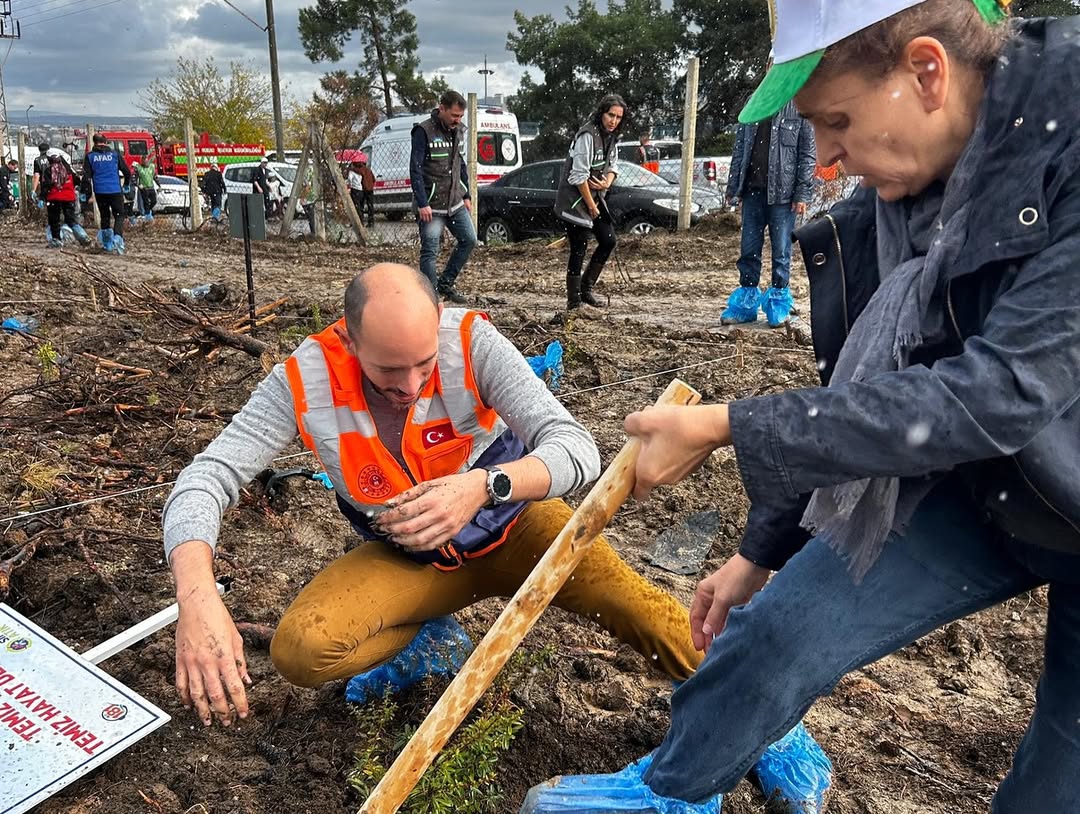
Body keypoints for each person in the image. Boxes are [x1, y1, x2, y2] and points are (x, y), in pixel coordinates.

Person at [526, 2, 1080, 813]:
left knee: (1055, 783)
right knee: (773, 633)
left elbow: (997, 395)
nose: (824, 159)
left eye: (837, 121)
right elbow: (864, 390)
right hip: (977, 482)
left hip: (1027, 456)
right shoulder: (904, 189)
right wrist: (763, 549)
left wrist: (727, 426)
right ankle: (675, 792)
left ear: (927, 71)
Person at [163, 263, 708, 727]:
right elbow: (204, 478)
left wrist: (483, 486)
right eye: (388, 370)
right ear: (350, 341)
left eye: (424, 363)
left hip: (521, 529)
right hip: (416, 561)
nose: (410, 385)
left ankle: (763, 723)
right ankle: (433, 645)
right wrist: (197, 597)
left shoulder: (471, 342)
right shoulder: (303, 380)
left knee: (650, 617)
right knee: (301, 652)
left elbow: (576, 449)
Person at [721, 96, 816, 328]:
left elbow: (807, 153)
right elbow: (740, 148)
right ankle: (746, 304)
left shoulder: (798, 106)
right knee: (749, 249)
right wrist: (733, 187)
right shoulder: (754, 103)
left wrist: (802, 193)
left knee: (781, 251)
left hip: (783, 196)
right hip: (753, 191)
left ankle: (778, 303)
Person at [554, 94, 624, 311]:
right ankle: (573, 302)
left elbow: (613, 167)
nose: (613, 121)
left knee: (608, 240)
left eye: (618, 117)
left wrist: (606, 183)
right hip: (574, 201)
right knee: (579, 247)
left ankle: (586, 288)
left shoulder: (612, 137)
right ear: (602, 113)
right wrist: (592, 207)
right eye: (610, 115)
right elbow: (578, 176)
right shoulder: (587, 136)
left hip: (595, 197)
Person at [410, 89, 475, 303]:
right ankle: (431, 297)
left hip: (455, 202)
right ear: (442, 109)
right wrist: (422, 203)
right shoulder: (424, 131)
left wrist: (466, 195)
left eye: (460, 116)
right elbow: (415, 169)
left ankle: (446, 284)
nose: (457, 120)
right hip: (431, 207)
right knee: (430, 251)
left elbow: (460, 163)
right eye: (454, 115)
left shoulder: (457, 131)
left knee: (469, 240)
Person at [85, 133, 132, 254]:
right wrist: (126, 184)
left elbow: (86, 177)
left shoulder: (90, 157)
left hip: (100, 191)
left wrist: (86, 192)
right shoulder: (115, 155)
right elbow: (127, 172)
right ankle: (117, 239)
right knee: (119, 215)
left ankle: (107, 244)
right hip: (115, 189)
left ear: (94, 143)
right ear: (106, 142)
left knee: (105, 216)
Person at [39, 152, 90, 248]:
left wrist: (42, 198)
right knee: (71, 220)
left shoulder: (48, 171)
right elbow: (77, 181)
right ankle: (83, 237)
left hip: (54, 198)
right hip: (69, 198)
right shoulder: (68, 170)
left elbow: (45, 186)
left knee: (54, 221)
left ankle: (57, 240)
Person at [134, 156, 160, 221]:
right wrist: (138, 185)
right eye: (144, 161)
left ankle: (149, 210)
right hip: (144, 188)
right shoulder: (139, 168)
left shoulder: (151, 167)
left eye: (146, 161)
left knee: (154, 201)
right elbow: (135, 179)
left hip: (151, 187)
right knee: (145, 202)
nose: (145, 162)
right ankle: (147, 214)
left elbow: (155, 177)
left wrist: (159, 185)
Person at [356, 155, 375, 227]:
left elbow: (359, 180)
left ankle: (361, 221)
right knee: (370, 205)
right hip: (370, 189)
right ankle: (371, 221)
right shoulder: (369, 170)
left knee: (361, 206)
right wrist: (371, 185)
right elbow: (373, 179)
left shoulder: (360, 170)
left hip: (363, 189)